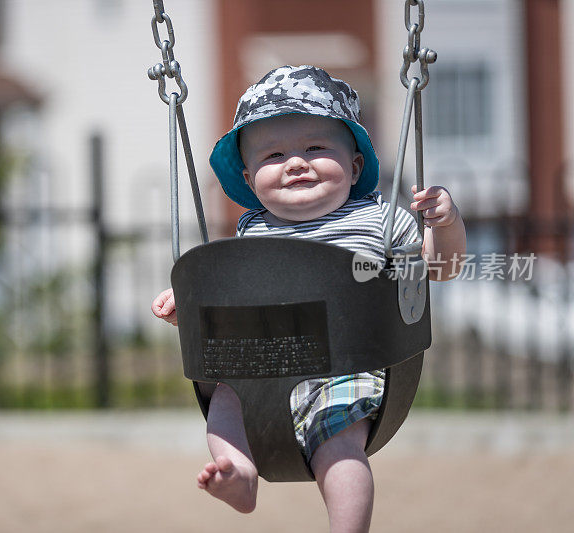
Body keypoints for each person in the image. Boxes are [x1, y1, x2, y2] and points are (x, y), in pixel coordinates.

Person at [151, 65, 466, 531]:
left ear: (355, 164)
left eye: (316, 148)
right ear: (249, 176)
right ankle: (238, 471)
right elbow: (231, 300)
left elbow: (440, 269)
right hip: (264, 366)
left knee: (337, 450)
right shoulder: (250, 231)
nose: (296, 162)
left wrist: (445, 225)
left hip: (347, 368)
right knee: (223, 400)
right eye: (274, 154)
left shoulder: (380, 220)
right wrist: (189, 304)